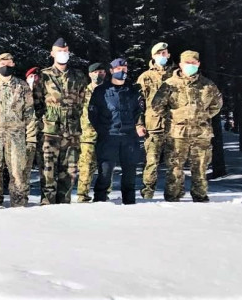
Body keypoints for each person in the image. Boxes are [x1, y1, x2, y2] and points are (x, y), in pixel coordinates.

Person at [152, 51, 223, 202]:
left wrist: (202, 116)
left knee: (201, 167)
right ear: (180, 65)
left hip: (201, 134)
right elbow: (157, 106)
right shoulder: (170, 84)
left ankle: (200, 196)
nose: (190, 66)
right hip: (177, 134)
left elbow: (216, 105)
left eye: (193, 63)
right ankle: (173, 196)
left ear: (198, 64)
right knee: (175, 167)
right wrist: (174, 116)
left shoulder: (208, 85)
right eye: (187, 63)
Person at [33, 37, 88, 205]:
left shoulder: (78, 76)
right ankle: (47, 204)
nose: (63, 54)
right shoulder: (43, 76)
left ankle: (64, 205)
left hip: (72, 132)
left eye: (65, 51)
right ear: (52, 54)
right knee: (48, 170)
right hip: (50, 132)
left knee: (70, 171)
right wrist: (44, 123)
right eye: (59, 51)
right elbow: (37, 103)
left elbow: (83, 101)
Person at [0, 53, 36, 208]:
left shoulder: (22, 86)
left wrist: (31, 138)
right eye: (2, 62)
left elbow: (30, 114)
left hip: (16, 135)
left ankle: (19, 207)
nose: (6, 65)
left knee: (18, 174)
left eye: (9, 62)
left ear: (13, 64)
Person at [88, 59, 143, 204]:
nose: (122, 71)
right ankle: (99, 201)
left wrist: (137, 126)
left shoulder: (132, 90)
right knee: (105, 174)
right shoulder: (101, 91)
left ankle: (130, 203)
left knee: (130, 175)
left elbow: (138, 111)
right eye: (118, 68)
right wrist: (103, 131)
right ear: (111, 71)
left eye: (124, 68)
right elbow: (93, 114)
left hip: (129, 138)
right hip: (108, 138)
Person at [136, 42, 175, 199]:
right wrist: (139, 123)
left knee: (175, 162)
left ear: (169, 54)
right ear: (153, 56)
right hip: (154, 126)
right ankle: (148, 192)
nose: (162, 56)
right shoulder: (145, 77)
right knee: (152, 162)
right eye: (159, 53)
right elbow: (138, 103)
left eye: (164, 53)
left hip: (175, 126)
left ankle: (173, 194)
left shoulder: (177, 75)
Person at [77, 63, 107, 203]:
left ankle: (103, 196)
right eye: (95, 72)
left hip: (106, 136)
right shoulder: (82, 92)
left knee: (106, 168)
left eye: (101, 72)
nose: (98, 74)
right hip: (87, 136)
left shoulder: (110, 91)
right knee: (86, 167)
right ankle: (83, 196)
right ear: (89, 74)